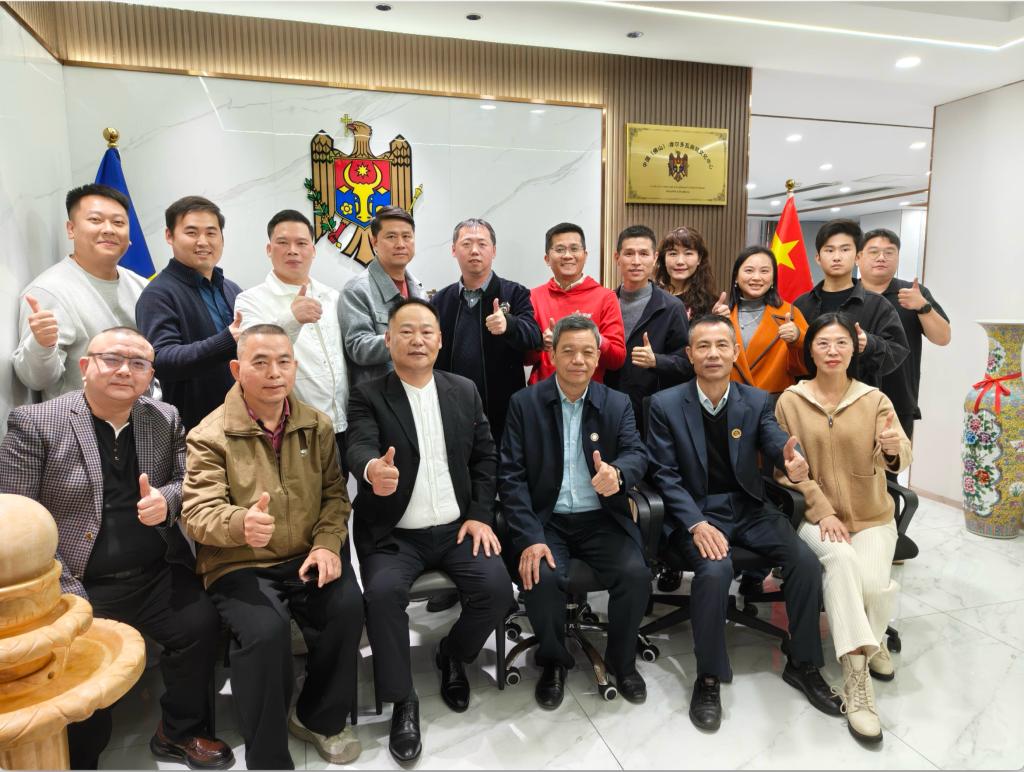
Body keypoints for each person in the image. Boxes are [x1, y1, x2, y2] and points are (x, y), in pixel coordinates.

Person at [0, 327, 231, 771]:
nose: (125, 370)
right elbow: (15, 516)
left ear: (150, 376)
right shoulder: (37, 423)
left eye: (139, 363)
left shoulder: (163, 417)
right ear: (85, 366)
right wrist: (62, 586)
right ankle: (81, 758)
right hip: (77, 580)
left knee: (201, 624)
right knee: (81, 681)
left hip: (155, 571)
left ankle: (178, 732)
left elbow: (187, 479)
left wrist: (167, 501)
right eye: (112, 359)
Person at [645, 315, 840, 731]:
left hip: (748, 507)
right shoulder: (664, 405)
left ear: (735, 352)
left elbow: (774, 439)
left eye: (722, 345)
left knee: (805, 563)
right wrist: (696, 524)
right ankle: (709, 676)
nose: (713, 354)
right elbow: (664, 475)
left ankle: (803, 663)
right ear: (689, 354)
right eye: (703, 346)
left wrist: (791, 457)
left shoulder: (755, 400)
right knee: (716, 570)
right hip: (696, 512)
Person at [182, 324, 363, 769]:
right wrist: (240, 523)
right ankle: (267, 756)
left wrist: (326, 545)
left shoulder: (316, 424)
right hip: (239, 562)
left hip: (305, 553)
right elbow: (197, 513)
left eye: (283, 362)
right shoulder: (209, 435)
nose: (274, 373)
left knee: (347, 608)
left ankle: (317, 717)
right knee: (265, 633)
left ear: (295, 366)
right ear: (236, 369)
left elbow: (335, 496)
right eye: (260, 362)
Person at [346, 298, 512, 763]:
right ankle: (403, 699)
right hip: (395, 534)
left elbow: (485, 457)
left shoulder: (463, 390)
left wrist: (479, 514)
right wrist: (372, 469)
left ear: (440, 340)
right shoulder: (368, 395)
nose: (417, 340)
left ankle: (452, 654)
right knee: (382, 597)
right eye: (406, 331)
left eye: (426, 332)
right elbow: (358, 445)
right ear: (388, 341)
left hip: (458, 528)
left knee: (498, 591)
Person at [774, 312, 912, 743]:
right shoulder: (790, 401)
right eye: (823, 343)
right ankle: (858, 681)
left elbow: (900, 453)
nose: (832, 351)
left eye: (841, 343)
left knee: (870, 586)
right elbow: (783, 471)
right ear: (809, 350)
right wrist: (821, 509)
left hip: (872, 515)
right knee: (840, 561)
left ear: (854, 349)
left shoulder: (875, 399)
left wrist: (894, 450)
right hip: (815, 517)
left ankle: (873, 638)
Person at [500, 314, 651, 709]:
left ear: (598, 356)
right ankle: (553, 662)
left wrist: (618, 473)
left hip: (601, 518)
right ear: (552, 355)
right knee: (542, 576)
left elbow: (637, 453)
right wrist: (530, 537)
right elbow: (511, 476)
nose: (578, 360)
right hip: (546, 519)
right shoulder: (524, 403)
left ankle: (622, 662)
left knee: (635, 574)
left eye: (587, 352)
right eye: (568, 351)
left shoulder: (616, 403)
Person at [234, 210, 350, 472]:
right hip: (293, 428)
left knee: (340, 493)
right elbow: (254, 353)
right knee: (301, 494)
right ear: (269, 249)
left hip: (343, 423)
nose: (293, 250)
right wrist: (291, 318)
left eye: (301, 243)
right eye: (283, 243)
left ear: (313, 250)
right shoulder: (250, 300)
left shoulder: (332, 296)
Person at [13, 184, 149, 400]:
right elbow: (35, 380)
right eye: (95, 220)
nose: (108, 229)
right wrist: (42, 345)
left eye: (118, 222)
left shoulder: (143, 286)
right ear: (71, 229)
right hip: (81, 418)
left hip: (143, 413)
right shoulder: (49, 290)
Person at [432, 217, 542, 447]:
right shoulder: (440, 301)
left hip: (502, 410)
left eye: (482, 244)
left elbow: (534, 337)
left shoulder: (515, 293)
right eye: (466, 244)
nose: (474, 250)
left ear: (494, 251)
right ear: (454, 250)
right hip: (451, 409)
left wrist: (509, 325)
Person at [136, 195, 242, 431]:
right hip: (194, 429)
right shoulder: (157, 294)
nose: (203, 241)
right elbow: (162, 360)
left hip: (242, 421)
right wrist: (227, 339)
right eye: (192, 232)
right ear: (169, 236)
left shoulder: (232, 289)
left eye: (211, 233)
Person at [856, 228, 951, 441]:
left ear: (898, 257)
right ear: (858, 257)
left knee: (894, 460)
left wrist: (923, 306)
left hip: (899, 400)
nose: (882, 257)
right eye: (874, 252)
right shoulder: (847, 294)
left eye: (889, 252)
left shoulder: (913, 293)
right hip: (849, 398)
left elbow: (943, 338)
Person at [792, 219, 909, 389]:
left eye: (845, 249)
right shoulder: (802, 304)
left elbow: (897, 352)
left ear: (857, 257)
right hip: (808, 397)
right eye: (829, 250)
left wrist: (868, 344)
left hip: (859, 398)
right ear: (818, 258)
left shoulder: (877, 305)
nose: (837, 257)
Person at [605, 224, 693, 432]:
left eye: (643, 254)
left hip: (652, 414)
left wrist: (656, 361)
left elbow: (687, 365)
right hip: (607, 407)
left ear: (654, 258)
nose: (636, 261)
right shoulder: (605, 302)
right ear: (617, 258)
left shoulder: (671, 307)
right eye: (629, 253)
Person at [526, 222, 625, 384]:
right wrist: (540, 343)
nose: (567, 255)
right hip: (542, 392)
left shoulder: (605, 297)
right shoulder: (533, 297)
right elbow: (524, 359)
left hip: (589, 393)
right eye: (559, 250)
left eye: (574, 249)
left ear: (585, 255)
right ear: (547, 259)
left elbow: (617, 360)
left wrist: (593, 337)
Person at [339, 206, 425, 388]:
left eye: (407, 236)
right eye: (391, 237)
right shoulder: (357, 290)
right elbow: (357, 347)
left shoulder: (419, 289)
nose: (400, 244)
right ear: (374, 242)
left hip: (416, 388)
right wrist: (402, 339)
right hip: (378, 395)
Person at [712, 245, 808, 396]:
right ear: (736, 276)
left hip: (775, 402)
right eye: (749, 270)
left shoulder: (789, 313)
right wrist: (714, 324)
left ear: (773, 278)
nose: (756, 277)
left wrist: (797, 338)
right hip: (729, 400)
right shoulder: (723, 314)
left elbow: (808, 365)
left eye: (764, 271)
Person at [653, 225, 719, 320]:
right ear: (664, 259)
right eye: (673, 254)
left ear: (699, 259)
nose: (680, 261)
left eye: (688, 253)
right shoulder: (652, 295)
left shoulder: (710, 303)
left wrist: (721, 320)